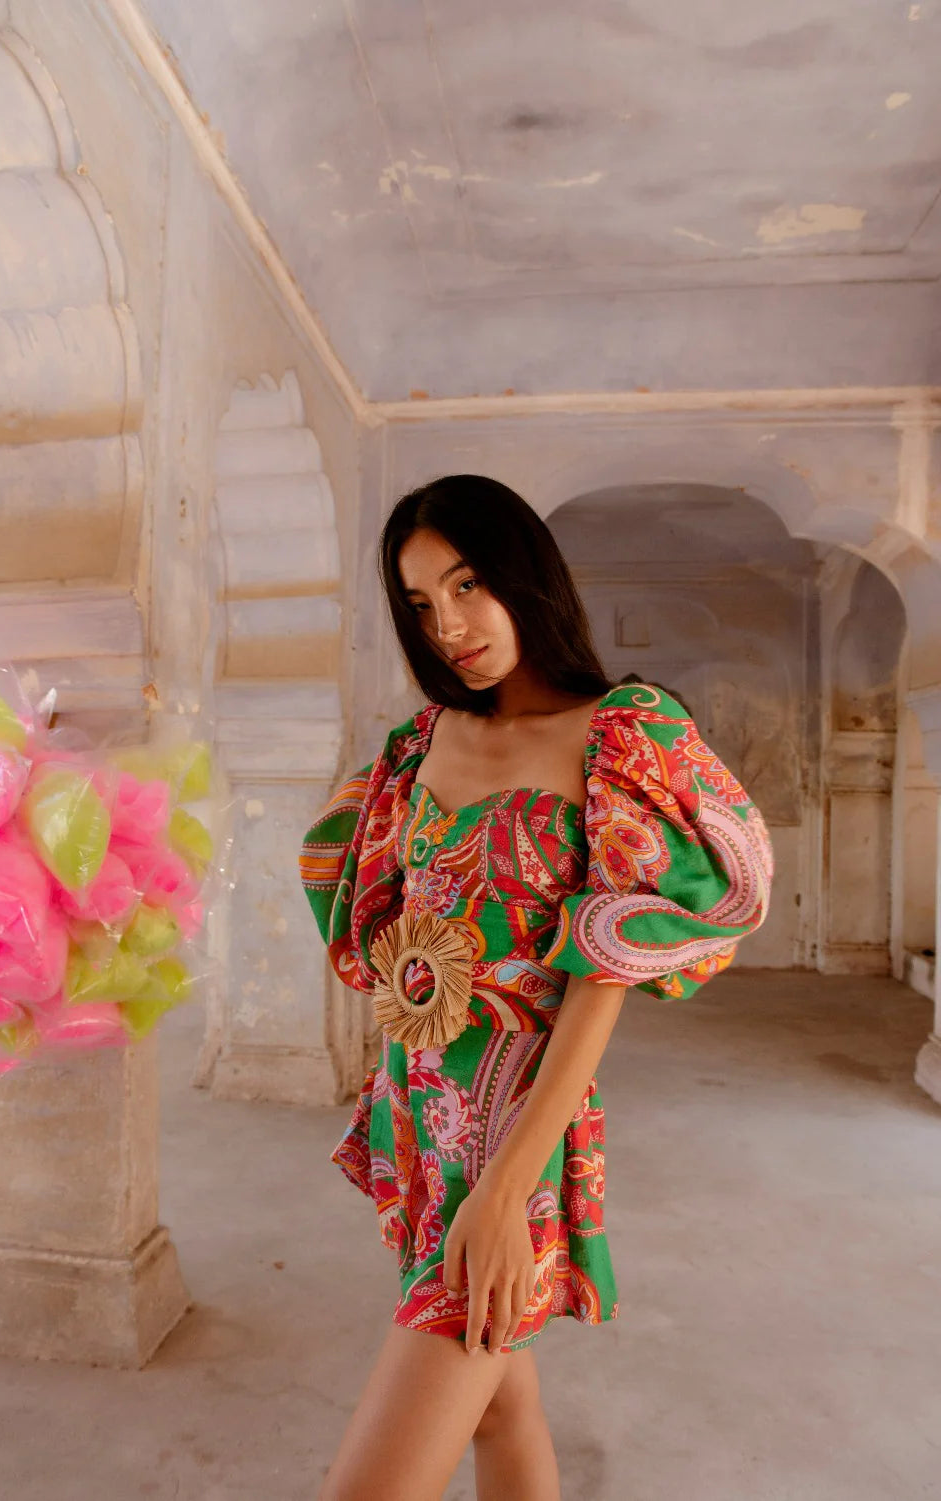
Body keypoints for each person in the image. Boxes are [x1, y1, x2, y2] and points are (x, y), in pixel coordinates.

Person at [299, 475, 773, 1501]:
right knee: (504, 1407)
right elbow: (356, 895)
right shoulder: (418, 745)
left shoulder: (621, 736)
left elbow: (598, 979)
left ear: (524, 573)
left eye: (468, 584)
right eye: (421, 604)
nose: (451, 625)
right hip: (419, 1129)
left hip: (509, 1152)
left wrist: (506, 1191)